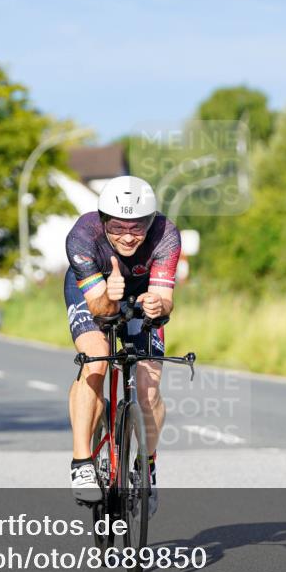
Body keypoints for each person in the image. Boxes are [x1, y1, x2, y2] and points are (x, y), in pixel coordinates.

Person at [65, 176, 181, 514]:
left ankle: (146, 465)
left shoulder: (166, 235)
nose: (128, 237)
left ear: (150, 222)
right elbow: (101, 310)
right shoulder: (82, 236)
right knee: (96, 359)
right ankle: (81, 462)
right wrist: (110, 295)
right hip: (93, 294)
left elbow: (165, 301)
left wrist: (158, 306)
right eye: (117, 227)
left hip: (141, 293)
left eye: (137, 228)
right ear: (103, 221)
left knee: (148, 387)